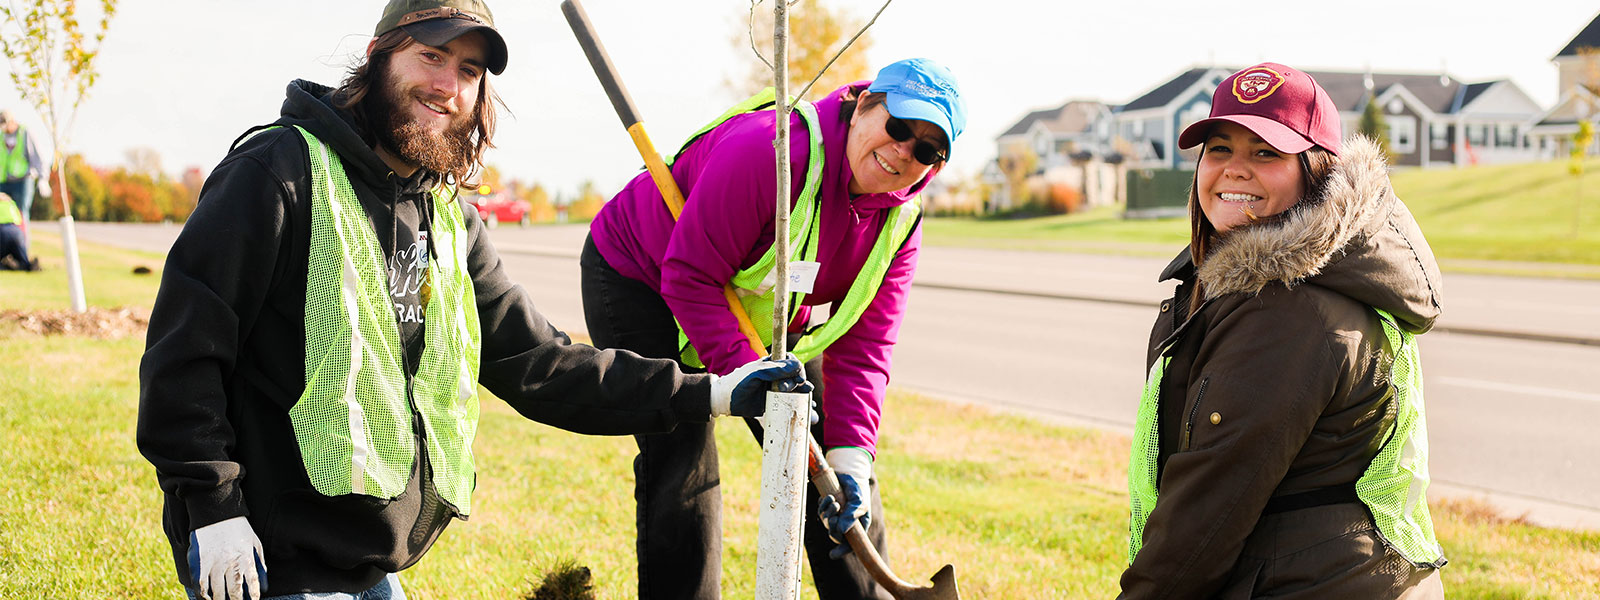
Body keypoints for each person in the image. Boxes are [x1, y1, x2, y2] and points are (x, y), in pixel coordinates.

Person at [136, 2, 807, 599]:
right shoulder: (277, 173)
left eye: (469, 70)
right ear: (377, 55)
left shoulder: (447, 217)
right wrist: (213, 508)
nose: (448, 85)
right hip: (265, 556)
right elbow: (184, 354)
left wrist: (714, 392)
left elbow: (539, 363)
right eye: (431, 55)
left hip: (364, 565)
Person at [582, 57, 966, 599]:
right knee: (684, 457)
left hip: (765, 311)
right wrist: (746, 376)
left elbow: (865, 347)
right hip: (640, 273)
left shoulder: (901, 221)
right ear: (863, 106)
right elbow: (690, 275)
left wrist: (852, 457)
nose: (904, 152)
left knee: (836, 465)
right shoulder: (771, 151)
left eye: (926, 150)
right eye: (899, 126)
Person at [1119, 63, 1447, 599]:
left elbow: (1208, 514)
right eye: (1219, 149)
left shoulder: (1286, 311)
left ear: (1316, 172)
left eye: (1266, 153)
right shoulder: (1293, 284)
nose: (1235, 170)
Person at [0, 109, 42, 226]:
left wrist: (42, 177)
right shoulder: (1, 136)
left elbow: (36, 157)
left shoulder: (24, 133)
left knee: (21, 214)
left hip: (22, 181)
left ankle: (21, 238)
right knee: (2, 214)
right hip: (4, 180)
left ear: (11, 121)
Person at [0, 191, 36, 270]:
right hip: (16, 232)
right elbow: (21, 223)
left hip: (2, 232)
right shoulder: (12, 204)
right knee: (23, 261)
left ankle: (5, 266)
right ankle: (26, 265)